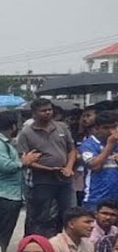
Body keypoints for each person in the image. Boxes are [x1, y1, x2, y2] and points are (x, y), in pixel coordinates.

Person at [18, 98, 79, 237]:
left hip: (64, 177)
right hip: (42, 179)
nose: (47, 113)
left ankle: (64, 241)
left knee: (68, 213)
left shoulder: (62, 127)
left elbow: (71, 150)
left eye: (49, 110)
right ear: (34, 113)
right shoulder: (27, 133)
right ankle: (36, 241)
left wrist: (69, 167)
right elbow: (25, 160)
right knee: (41, 215)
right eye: (43, 110)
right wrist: (48, 169)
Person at [0, 112, 28, 252]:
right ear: (13, 126)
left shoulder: (4, 143)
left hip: (10, 195)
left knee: (3, 235)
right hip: (2, 195)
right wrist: (24, 162)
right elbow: (6, 166)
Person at [81, 111, 118, 211]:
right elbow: (95, 166)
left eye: (114, 127)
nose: (111, 131)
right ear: (97, 128)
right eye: (106, 128)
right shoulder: (88, 145)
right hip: (96, 198)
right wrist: (110, 145)